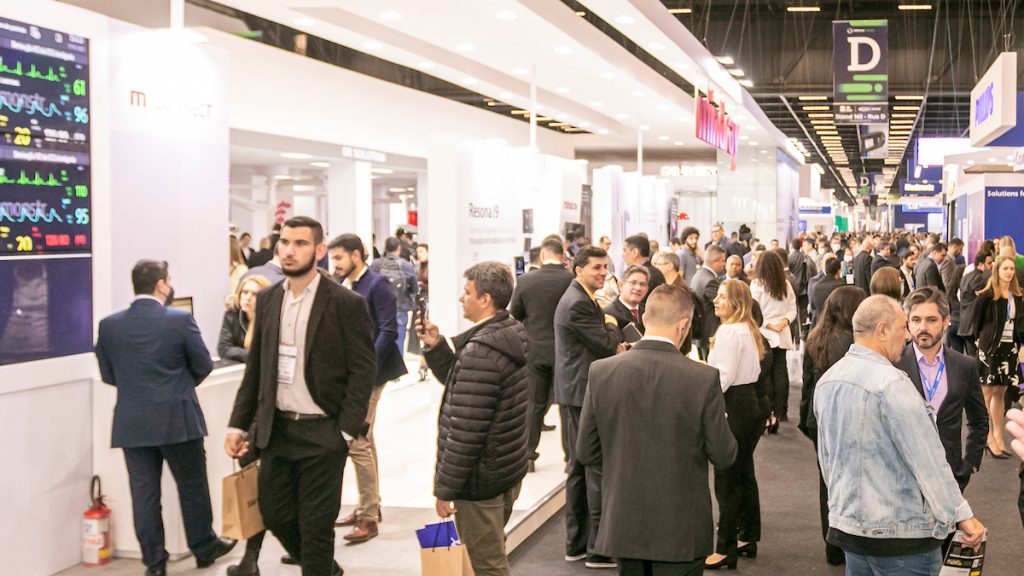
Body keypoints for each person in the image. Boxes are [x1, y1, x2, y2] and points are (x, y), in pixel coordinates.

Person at [224, 216, 376, 576]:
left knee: (316, 527)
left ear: (319, 250)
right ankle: (326, 570)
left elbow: (362, 370)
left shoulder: (345, 303)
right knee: (275, 514)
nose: (290, 251)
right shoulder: (267, 299)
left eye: (300, 243)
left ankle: (320, 568)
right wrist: (238, 424)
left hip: (323, 432)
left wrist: (344, 430)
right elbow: (256, 370)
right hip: (277, 432)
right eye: (285, 243)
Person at [814, 295, 985, 574]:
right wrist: (961, 516)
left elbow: (827, 459)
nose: (908, 336)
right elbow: (926, 459)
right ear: (882, 330)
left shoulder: (828, 381)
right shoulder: (892, 384)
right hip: (902, 539)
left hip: (850, 532)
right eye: (904, 326)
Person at [576, 285, 736, 576]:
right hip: (682, 528)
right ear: (684, 325)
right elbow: (724, 455)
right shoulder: (703, 378)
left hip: (624, 523)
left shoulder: (601, 371)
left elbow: (586, 451)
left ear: (644, 318)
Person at [95, 260, 235, 576]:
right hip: (178, 418)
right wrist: (178, 386)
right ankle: (203, 548)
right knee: (192, 486)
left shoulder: (109, 325)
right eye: (169, 280)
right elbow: (204, 365)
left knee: (144, 495)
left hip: (132, 422)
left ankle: (155, 563)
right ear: (161, 284)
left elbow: (108, 373)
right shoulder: (180, 320)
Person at [416, 262, 529, 576]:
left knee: (487, 565)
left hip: (481, 482)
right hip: (504, 470)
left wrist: (445, 488)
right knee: (489, 552)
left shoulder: (481, 351)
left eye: (466, 292)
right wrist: (437, 346)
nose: (459, 298)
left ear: (485, 299)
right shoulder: (508, 332)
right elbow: (464, 384)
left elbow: (465, 431)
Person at [328, 233, 406, 543]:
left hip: (371, 375)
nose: (334, 264)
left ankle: (369, 518)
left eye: (339, 258)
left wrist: (365, 369)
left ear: (357, 255)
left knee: (356, 440)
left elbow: (388, 330)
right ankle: (368, 506)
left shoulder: (378, 285)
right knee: (365, 439)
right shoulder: (350, 285)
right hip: (359, 373)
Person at [554, 246, 624, 569]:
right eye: (595, 267)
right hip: (580, 395)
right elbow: (607, 343)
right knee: (589, 466)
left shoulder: (582, 299)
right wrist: (610, 322)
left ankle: (581, 544)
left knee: (582, 467)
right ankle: (595, 548)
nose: (601, 272)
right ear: (578, 269)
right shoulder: (578, 304)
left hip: (578, 393)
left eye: (604, 268)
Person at [897, 287, 987, 494]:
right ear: (908, 322)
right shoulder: (895, 365)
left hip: (950, 476)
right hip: (904, 478)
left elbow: (979, 420)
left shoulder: (964, 365)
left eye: (931, 320)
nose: (922, 327)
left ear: (946, 322)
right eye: (916, 320)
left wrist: (969, 465)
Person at [799, 285, 866, 566]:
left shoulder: (814, 338)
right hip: (849, 421)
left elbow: (806, 387)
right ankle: (850, 542)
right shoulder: (855, 343)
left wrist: (807, 423)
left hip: (819, 421)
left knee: (826, 483)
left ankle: (832, 544)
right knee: (853, 482)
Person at [705, 280, 764, 570]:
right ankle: (747, 536)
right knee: (743, 473)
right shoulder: (747, 329)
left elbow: (722, 377)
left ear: (736, 303)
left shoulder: (730, 332)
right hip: (749, 403)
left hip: (733, 405)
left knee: (727, 478)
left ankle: (725, 548)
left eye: (721, 297)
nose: (715, 300)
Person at [509, 237, 575, 472]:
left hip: (534, 350)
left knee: (534, 404)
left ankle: (527, 457)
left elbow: (514, 315)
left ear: (543, 254)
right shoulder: (572, 280)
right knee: (566, 405)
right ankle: (570, 458)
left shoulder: (525, 281)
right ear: (562, 253)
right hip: (565, 351)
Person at [971, 254, 1024, 459]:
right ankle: (987, 437)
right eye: (1005, 269)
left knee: (1001, 393)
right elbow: (977, 322)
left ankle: (998, 435)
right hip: (989, 348)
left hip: (1009, 349)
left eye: (1011, 269)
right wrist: (979, 341)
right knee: (986, 393)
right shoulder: (987, 294)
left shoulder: (1017, 295)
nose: (1009, 272)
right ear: (997, 271)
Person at [750, 250, 797, 431]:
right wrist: (784, 322)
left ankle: (768, 413)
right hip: (782, 333)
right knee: (780, 372)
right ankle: (780, 412)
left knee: (766, 374)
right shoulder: (785, 284)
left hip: (764, 334)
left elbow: (754, 311)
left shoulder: (756, 285)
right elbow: (793, 309)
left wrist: (770, 325)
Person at [371, 237, 418, 355]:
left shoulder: (376, 264)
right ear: (399, 248)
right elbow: (414, 288)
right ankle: (397, 369)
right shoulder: (406, 265)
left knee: (379, 339)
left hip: (378, 308)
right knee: (399, 339)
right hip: (400, 306)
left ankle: (380, 369)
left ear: (385, 248)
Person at [218, 275, 272, 363]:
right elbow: (224, 348)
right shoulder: (232, 313)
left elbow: (269, 354)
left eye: (255, 294)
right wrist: (253, 355)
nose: (247, 298)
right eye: (245, 292)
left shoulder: (272, 319)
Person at [692, 245, 726, 360]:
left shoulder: (697, 275)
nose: (724, 264)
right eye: (723, 261)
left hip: (701, 333)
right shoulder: (711, 280)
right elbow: (724, 304)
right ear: (715, 261)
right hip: (710, 332)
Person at [958, 250, 993, 357]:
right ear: (981, 264)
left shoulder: (966, 277)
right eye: (989, 263)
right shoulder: (981, 278)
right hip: (974, 325)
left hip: (964, 324)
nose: (991, 266)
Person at [603, 265, 650, 334]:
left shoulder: (649, 312)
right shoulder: (608, 313)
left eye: (642, 284)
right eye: (633, 283)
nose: (638, 288)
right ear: (620, 285)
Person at [810, 256, 844, 328]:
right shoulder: (841, 285)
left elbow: (812, 305)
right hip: (837, 326)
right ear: (838, 271)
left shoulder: (816, 285)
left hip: (821, 325)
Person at [788, 239, 811, 337]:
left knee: (793, 312)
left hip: (793, 288)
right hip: (804, 289)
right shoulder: (805, 257)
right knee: (803, 313)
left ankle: (796, 336)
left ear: (791, 246)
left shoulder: (790, 257)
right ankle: (803, 334)